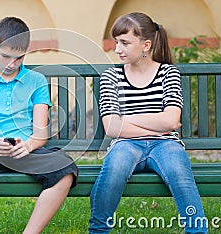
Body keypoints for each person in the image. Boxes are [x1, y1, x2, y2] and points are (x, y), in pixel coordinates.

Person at [0, 16, 78, 234]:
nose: (11, 64)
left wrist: (27, 146)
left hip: (23, 151)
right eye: (5, 56)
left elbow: (40, 134)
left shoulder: (36, 81)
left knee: (65, 168)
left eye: (18, 58)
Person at [89, 12, 207, 233]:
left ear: (146, 45)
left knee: (180, 175)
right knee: (112, 172)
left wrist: (127, 119)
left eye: (124, 43)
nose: (117, 49)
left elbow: (171, 120)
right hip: (125, 145)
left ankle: (197, 230)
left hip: (165, 144)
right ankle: (98, 230)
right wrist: (156, 122)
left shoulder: (168, 73)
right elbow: (112, 128)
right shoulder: (111, 77)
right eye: (116, 42)